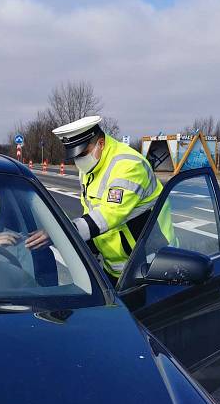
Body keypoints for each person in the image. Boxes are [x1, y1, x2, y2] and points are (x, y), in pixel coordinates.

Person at [53, 116, 174, 282]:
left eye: (83, 153)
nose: (78, 160)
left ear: (100, 144)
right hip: (115, 269)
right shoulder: (89, 168)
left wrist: (65, 230)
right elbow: (89, 210)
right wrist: (90, 250)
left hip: (150, 266)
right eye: (75, 156)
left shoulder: (129, 165)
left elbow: (110, 214)